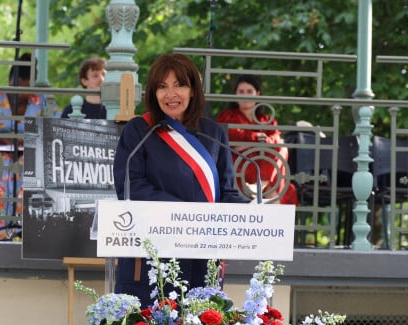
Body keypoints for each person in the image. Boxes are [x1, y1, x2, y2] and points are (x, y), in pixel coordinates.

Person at [113, 53, 248, 307]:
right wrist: (185, 215)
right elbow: (131, 187)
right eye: (162, 87)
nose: (170, 94)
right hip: (152, 258)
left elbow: (226, 192)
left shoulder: (214, 133)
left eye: (179, 85)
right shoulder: (139, 131)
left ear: (193, 90)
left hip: (203, 256)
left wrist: (251, 211)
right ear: (153, 93)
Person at [0, 53, 60, 240]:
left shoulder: (41, 100)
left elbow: (55, 130)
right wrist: (5, 141)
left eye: (28, 90)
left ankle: (24, 232)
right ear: (12, 82)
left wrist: (31, 141)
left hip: (29, 152)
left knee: (32, 170)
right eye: (20, 89)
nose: (25, 95)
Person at [216, 74, 298, 205]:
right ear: (235, 95)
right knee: (273, 191)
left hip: (265, 168)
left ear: (258, 94)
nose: (245, 95)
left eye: (249, 91)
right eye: (241, 91)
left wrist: (249, 145)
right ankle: (264, 187)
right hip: (240, 167)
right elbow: (231, 134)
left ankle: (263, 184)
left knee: (282, 148)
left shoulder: (266, 119)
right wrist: (259, 141)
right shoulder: (227, 116)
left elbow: (276, 139)